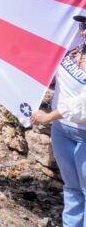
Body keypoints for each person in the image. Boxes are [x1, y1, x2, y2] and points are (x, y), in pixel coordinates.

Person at [31, 14, 86, 227]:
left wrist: (49, 116)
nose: (84, 31)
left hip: (83, 133)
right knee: (71, 188)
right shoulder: (74, 48)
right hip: (62, 130)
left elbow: (83, 103)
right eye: (83, 25)